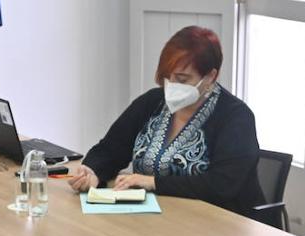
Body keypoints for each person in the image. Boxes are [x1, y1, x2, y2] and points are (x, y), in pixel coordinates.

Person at [69, 26, 263, 217]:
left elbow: (222, 185)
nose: (171, 86)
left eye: (182, 79)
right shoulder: (152, 102)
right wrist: (93, 172)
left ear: (211, 76)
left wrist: (153, 183)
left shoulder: (236, 118)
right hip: (157, 219)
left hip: (221, 225)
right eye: (167, 77)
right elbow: (111, 149)